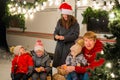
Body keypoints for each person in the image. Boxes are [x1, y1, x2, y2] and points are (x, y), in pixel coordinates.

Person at [53, 2, 80, 68]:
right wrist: (56, 36)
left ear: (70, 14)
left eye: (66, 15)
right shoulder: (59, 21)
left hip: (69, 47)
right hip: (59, 46)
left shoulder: (75, 23)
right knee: (57, 64)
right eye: (63, 14)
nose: (65, 16)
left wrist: (65, 38)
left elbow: (75, 35)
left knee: (66, 65)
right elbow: (56, 31)